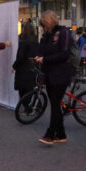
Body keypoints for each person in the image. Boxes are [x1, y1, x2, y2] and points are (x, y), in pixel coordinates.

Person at [34, 11, 74, 144]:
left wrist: (45, 59)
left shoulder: (63, 32)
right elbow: (42, 49)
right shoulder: (47, 35)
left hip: (61, 73)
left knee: (56, 104)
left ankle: (50, 133)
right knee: (55, 104)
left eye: (45, 25)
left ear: (50, 22)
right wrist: (39, 57)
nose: (44, 28)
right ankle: (61, 133)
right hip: (50, 73)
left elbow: (64, 53)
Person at [12, 20, 38, 99]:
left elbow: (20, 56)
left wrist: (14, 66)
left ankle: (27, 108)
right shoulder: (35, 40)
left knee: (23, 91)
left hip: (23, 69)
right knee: (30, 89)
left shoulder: (23, 42)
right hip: (33, 68)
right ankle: (33, 106)